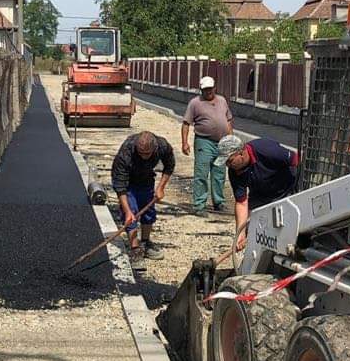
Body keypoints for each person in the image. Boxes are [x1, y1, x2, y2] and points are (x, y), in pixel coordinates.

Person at [214, 134, 298, 244]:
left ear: (241, 153)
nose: (228, 165)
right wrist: (240, 233)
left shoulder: (267, 150)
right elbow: (241, 203)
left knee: (286, 229)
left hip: (286, 189)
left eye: (230, 161)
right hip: (260, 195)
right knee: (254, 230)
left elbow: (297, 160)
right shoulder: (234, 171)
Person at [111, 130, 175, 272]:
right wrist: (127, 211)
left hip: (146, 179)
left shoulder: (162, 145)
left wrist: (161, 187)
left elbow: (169, 165)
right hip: (128, 182)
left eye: (147, 154)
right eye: (141, 153)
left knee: (148, 213)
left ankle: (145, 242)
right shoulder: (126, 152)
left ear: (154, 149)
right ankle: (135, 249)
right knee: (131, 214)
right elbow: (119, 184)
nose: (144, 156)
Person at [181, 76, 233, 215]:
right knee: (202, 174)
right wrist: (185, 142)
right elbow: (186, 123)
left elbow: (228, 120)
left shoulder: (222, 100)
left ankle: (219, 202)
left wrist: (230, 140)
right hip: (204, 142)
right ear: (201, 90)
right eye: (205, 89)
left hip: (222, 142)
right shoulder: (195, 103)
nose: (208, 91)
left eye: (210, 89)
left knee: (219, 174)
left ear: (214, 88)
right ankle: (199, 205)